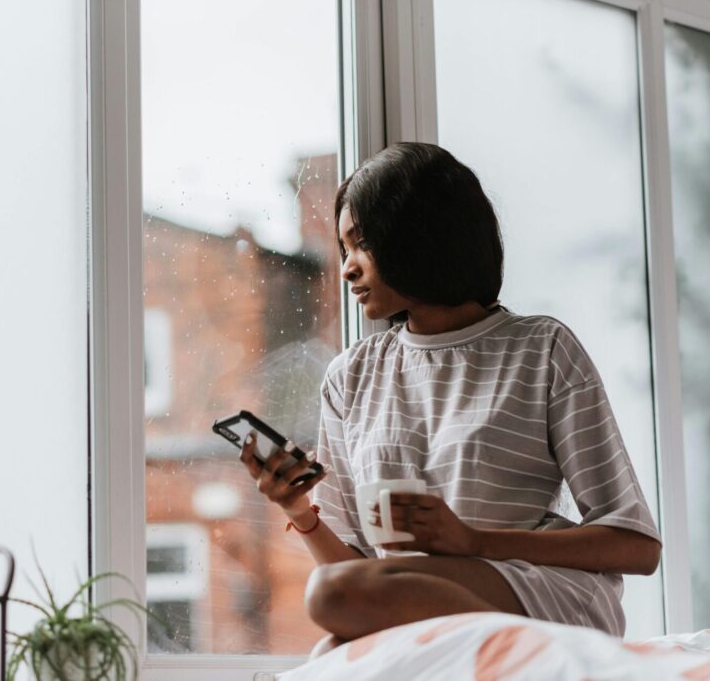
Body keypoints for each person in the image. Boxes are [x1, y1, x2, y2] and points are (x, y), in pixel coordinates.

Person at [237, 142, 662, 657]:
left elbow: (636, 545)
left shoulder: (541, 348)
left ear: (420, 234)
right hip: (408, 592)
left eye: (362, 244)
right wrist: (299, 509)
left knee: (333, 610)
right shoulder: (350, 377)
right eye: (343, 248)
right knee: (332, 651)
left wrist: (474, 542)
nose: (347, 267)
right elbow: (355, 578)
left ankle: (526, 649)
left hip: (540, 591)